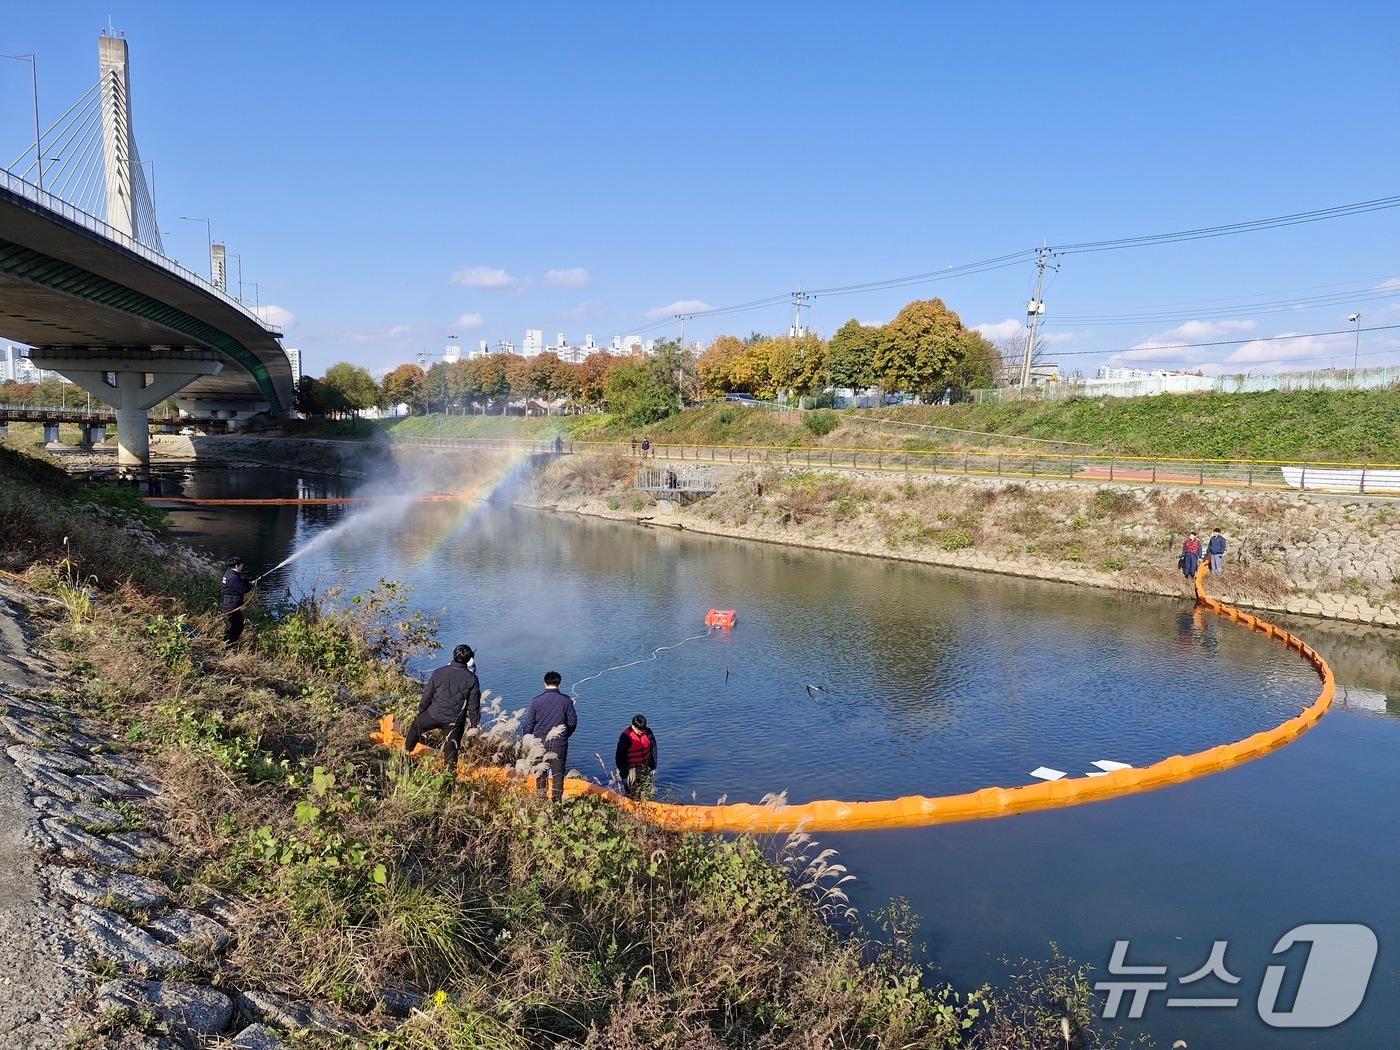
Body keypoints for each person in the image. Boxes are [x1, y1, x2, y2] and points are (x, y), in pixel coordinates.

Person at [404, 644, 481, 770]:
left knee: (415, 727)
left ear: (453, 655)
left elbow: (427, 695)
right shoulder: (472, 679)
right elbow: (474, 705)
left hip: (433, 714)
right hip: (454, 721)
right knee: (451, 749)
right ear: (469, 659)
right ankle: (449, 776)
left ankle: (406, 754)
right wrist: (474, 724)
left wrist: (421, 711)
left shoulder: (439, 672)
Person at [521, 671, 576, 801]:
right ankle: (556, 802)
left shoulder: (536, 701)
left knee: (541, 773)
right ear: (559, 683)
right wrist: (564, 735)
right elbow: (572, 723)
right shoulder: (566, 701)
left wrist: (528, 740)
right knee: (558, 774)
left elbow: (529, 724)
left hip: (539, 744)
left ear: (544, 683)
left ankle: (541, 800)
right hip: (559, 744)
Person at [614, 714, 657, 798]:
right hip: (631, 770)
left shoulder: (648, 732)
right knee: (632, 793)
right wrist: (624, 773)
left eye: (643, 729)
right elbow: (619, 757)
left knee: (646, 791)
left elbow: (654, 749)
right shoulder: (625, 737)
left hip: (646, 766)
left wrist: (653, 766)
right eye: (639, 730)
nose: (641, 732)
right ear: (633, 726)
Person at [219, 556, 254, 647]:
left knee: (237, 626)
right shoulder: (233, 577)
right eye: (242, 565)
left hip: (230, 606)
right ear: (237, 566)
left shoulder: (229, 573)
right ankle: (227, 646)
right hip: (230, 608)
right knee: (233, 628)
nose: (243, 566)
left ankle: (229, 645)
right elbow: (243, 589)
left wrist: (247, 582)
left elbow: (240, 583)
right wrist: (250, 586)